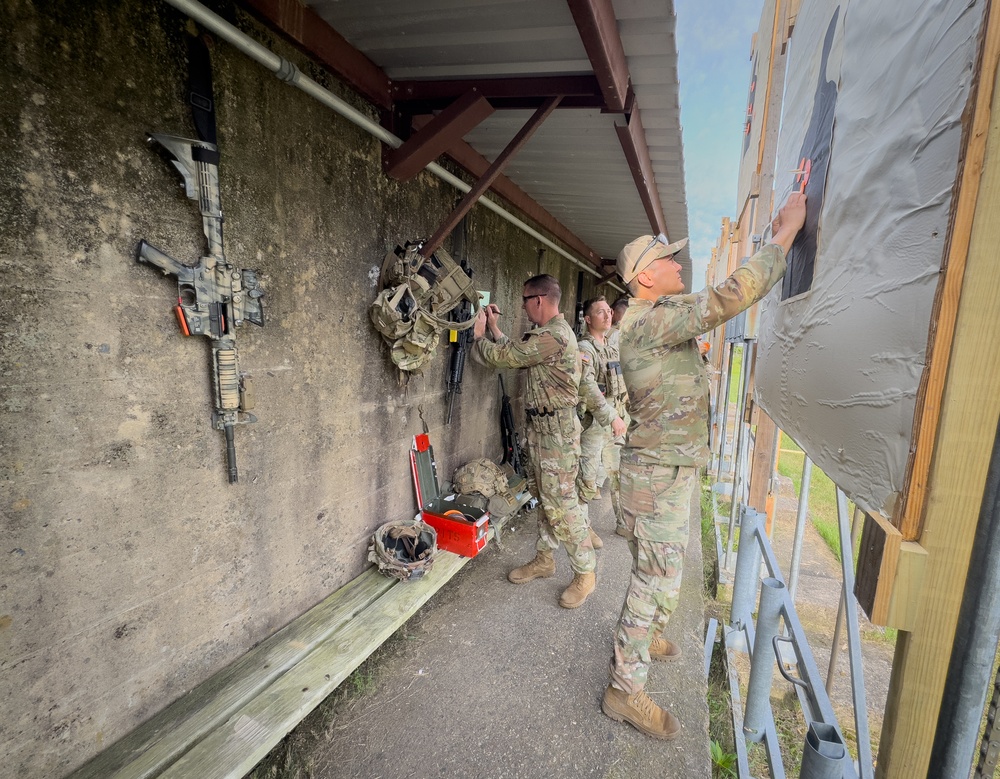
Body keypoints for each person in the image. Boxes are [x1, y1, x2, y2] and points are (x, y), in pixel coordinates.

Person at [601, 192, 808, 740]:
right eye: (668, 259)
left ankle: (648, 634)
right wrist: (783, 237)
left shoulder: (653, 322)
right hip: (656, 475)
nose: (678, 264)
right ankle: (624, 690)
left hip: (667, 470)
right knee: (652, 579)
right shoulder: (651, 320)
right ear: (646, 278)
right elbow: (725, 299)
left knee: (664, 573)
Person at [473, 274, 598, 609]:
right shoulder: (547, 337)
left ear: (539, 299)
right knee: (545, 499)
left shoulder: (554, 336)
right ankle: (544, 559)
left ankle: (585, 573)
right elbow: (518, 351)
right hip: (543, 433)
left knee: (563, 507)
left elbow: (504, 359)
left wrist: (480, 337)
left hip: (556, 437)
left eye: (525, 299)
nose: (524, 306)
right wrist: (497, 330)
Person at [576, 297, 628, 548]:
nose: (608, 316)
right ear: (588, 319)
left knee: (618, 473)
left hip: (614, 420)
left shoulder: (609, 346)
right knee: (586, 480)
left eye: (609, 311)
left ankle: (624, 523)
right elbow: (586, 387)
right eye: (600, 312)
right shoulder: (585, 349)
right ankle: (583, 530)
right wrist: (611, 416)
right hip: (595, 424)